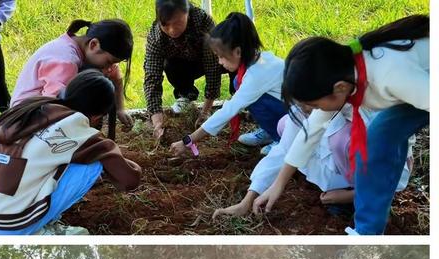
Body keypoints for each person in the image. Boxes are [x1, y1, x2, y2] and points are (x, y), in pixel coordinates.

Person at [252, 15, 429, 235]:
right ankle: (368, 231)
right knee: (380, 138)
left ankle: (366, 233)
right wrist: (277, 185)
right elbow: (310, 133)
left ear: (340, 88)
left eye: (314, 104)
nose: (314, 110)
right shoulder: (346, 75)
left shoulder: (389, 76)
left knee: (378, 138)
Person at [0, 69, 142, 235]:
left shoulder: (33, 107)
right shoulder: (77, 125)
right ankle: (40, 228)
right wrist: (118, 158)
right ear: (97, 116)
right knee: (93, 165)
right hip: (12, 225)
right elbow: (129, 180)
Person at [213, 104, 413, 219]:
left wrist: (349, 196)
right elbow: (285, 150)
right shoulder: (309, 107)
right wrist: (247, 201)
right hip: (338, 157)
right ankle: (340, 184)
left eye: (310, 105)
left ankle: (354, 194)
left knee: (340, 140)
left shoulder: (371, 115)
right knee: (286, 124)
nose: (306, 111)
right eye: (301, 105)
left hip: (372, 174)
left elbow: (397, 176)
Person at [170, 12, 287, 158]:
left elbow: (228, 111)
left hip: (299, 119)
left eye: (221, 56)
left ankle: (283, 138)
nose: (219, 62)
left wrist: (188, 140)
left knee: (249, 93)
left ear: (238, 51)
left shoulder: (257, 76)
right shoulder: (259, 61)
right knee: (237, 82)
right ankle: (271, 131)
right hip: (289, 110)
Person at [10, 18, 134, 129]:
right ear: (93, 44)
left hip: (39, 113)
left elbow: (116, 78)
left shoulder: (81, 47)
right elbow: (54, 109)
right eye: (109, 62)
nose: (109, 68)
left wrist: (120, 109)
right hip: (24, 122)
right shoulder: (66, 61)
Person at [144, 0, 224, 139]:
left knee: (235, 61)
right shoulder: (156, 36)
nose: (172, 30)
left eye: (178, 23)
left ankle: (241, 99)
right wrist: (157, 121)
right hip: (183, 65)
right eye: (165, 25)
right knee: (169, 64)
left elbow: (213, 67)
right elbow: (152, 77)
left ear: (188, 14)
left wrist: (205, 111)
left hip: (216, 59)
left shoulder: (202, 22)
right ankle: (185, 94)